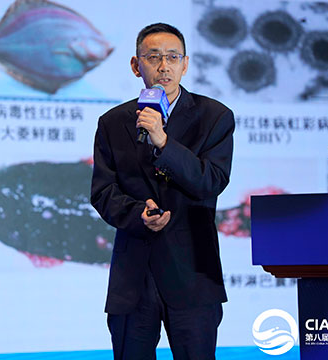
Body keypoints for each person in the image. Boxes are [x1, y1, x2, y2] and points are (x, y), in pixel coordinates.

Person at [90, 22, 235, 360]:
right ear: (136, 65)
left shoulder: (214, 117)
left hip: (192, 271)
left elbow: (212, 180)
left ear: (185, 64)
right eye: (153, 57)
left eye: (172, 57)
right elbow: (103, 191)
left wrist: (164, 143)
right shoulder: (113, 122)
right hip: (133, 275)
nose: (164, 66)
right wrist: (137, 215)